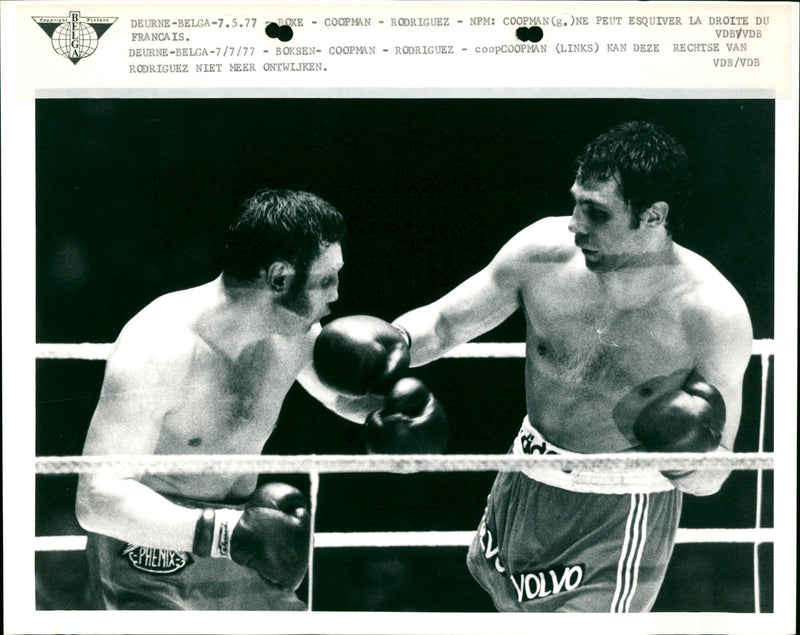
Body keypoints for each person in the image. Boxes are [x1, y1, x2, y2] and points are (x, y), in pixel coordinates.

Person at [387, 121, 753, 612]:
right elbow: (443, 324)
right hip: (523, 477)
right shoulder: (542, 253)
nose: (576, 224)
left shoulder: (711, 313)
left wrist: (686, 453)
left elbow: (716, 474)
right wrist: (389, 346)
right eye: (577, 202)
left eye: (597, 212)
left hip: (618, 513)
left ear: (653, 216)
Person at [75, 188, 446, 610]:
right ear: (280, 278)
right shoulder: (159, 346)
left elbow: (340, 401)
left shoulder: (295, 336)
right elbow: (96, 500)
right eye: (326, 280)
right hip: (150, 554)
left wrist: (394, 412)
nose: (337, 295)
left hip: (246, 544)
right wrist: (228, 534)